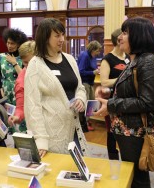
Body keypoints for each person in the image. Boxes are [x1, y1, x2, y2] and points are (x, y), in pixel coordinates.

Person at [93, 17, 154, 188]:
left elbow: (146, 102)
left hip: (136, 133)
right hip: (128, 131)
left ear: (138, 37)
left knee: (137, 178)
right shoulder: (135, 61)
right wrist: (108, 93)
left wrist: (111, 104)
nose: (120, 37)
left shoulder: (146, 62)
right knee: (131, 175)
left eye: (125, 33)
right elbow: (131, 91)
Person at [24, 18, 90, 158]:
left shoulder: (70, 59)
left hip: (74, 128)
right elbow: (32, 105)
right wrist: (40, 138)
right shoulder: (35, 65)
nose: (62, 39)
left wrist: (81, 99)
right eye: (57, 35)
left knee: (79, 173)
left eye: (62, 34)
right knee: (56, 174)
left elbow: (80, 87)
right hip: (51, 134)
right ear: (45, 38)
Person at [98, 28, 129, 160]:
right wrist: (123, 79)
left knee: (125, 133)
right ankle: (113, 161)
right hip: (111, 101)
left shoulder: (127, 57)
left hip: (126, 101)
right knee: (112, 133)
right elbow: (104, 82)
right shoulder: (108, 59)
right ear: (118, 40)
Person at [0, 28, 28, 105]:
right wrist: (0, 89)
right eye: (8, 43)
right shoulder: (1, 57)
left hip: (19, 90)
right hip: (5, 90)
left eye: (12, 43)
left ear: (18, 44)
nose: (9, 46)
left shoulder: (23, 58)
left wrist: (14, 63)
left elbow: (24, 76)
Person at [8, 40, 35, 127]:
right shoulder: (21, 80)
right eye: (25, 62)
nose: (28, 65)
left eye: (31, 61)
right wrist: (17, 117)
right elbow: (20, 106)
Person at [77, 40, 102, 132]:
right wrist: (93, 72)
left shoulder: (92, 56)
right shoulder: (85, 56)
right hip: (84, 83)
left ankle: (88, 120)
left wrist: (96, 70)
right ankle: (84, 123)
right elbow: (80, 71)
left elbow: (92, 67)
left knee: (91, 102)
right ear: (92, 49)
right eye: (97, 51)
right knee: (86, 102)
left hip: (91, 82)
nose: (98, 53)